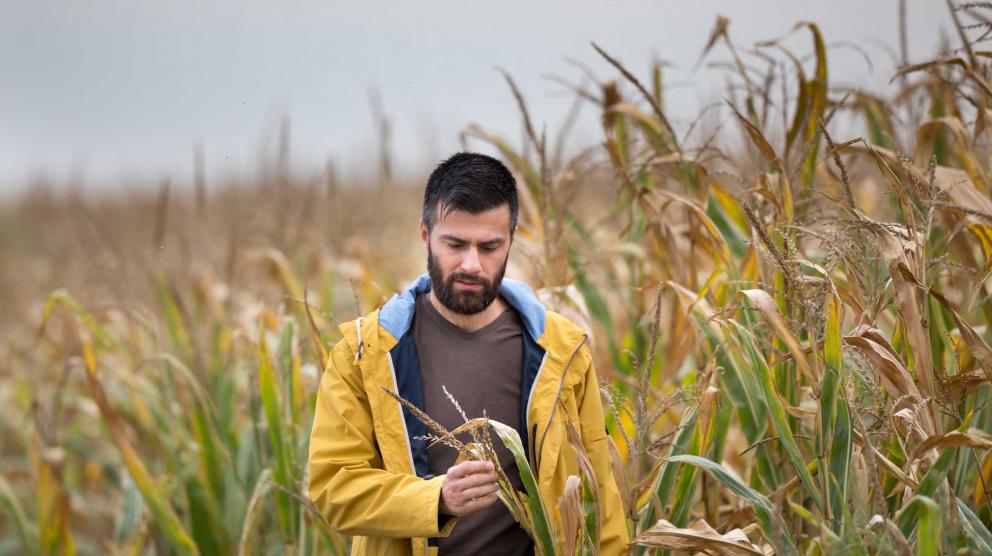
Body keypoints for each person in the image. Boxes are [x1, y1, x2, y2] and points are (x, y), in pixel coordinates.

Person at [307, 152, 628, 555]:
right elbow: (334, 486)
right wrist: (436, 499)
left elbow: (601, 498)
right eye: (455, 244)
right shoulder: (364, 354)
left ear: (512, 239)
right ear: (426, 235)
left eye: (489, 246)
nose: (471, 264)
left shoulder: (561, 353)